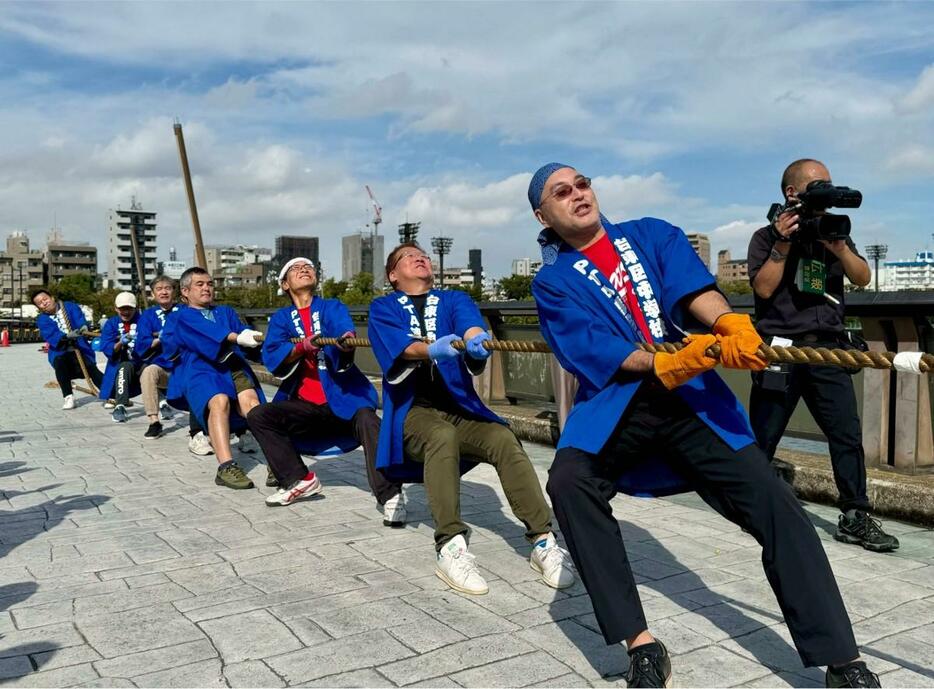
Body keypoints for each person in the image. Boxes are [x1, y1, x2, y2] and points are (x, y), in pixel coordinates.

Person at [528, 162, 880, 688]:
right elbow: (591, 349)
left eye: (583, 184)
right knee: (569, 483)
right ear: (544, 214)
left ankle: (842, 659)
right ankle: (641, 645)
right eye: (562, 192)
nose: (578, 194)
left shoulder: (651, 233)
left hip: (692, 402)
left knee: (777, 505)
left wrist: (728, 322)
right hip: (618, 405)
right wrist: (663, 362)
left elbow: (696, 290)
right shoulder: (552, 283)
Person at [368, 242, 575, 596]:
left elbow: (470, 326)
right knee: (440, 436)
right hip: (412, 412)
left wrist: (477, 340)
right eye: (408, 256)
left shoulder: (454, 299)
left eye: (424, 255)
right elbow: (398, 346)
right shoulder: (383, 307)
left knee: (502, 437)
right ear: (392, 274)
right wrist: (430, 349)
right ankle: (450, 545)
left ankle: (543, 539)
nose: (420, 258)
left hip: (461, 407)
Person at [747, 158, 897, 553]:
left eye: (830, 183)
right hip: (779, 348)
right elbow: (762, 290)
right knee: (763, 435)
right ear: (791, 192)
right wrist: (782, 242)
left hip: (828, 349)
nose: (828, 191)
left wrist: (840, 248)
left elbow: (863, 277)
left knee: (846, 435)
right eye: (819, 184)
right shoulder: (765, 236)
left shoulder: (834, 229)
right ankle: (750, 505)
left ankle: (855, 515)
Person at [247, 257, 405, 513]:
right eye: (295, 269)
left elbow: (343, 328)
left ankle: (391, 496)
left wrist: (345, 341)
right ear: (285, 285)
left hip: (345, 400)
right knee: (259, 415)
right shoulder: (281, 319)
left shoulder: (332, 306)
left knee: (370, 420)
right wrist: (301, 347)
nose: (303, 270)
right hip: (305, 406)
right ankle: (299, 480)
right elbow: (274, 354)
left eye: (308, 267)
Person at [169, 267, 265, 490]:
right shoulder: (181, 316)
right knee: (218, 401)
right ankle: (226, 466)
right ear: (185, 291)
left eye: (210, 284)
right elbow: (209, 334)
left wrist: (257, 341)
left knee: (252, 405)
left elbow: (243, 335)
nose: (206, 288)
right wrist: (238, 337)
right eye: (200, 284)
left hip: (232, 364)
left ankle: (276, 461)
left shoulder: (226, 312)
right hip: (201, 369)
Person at [32, 288, 104, 409]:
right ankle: (68, 396)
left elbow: (80, 319)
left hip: (80, 347)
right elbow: (51, 335)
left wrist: (83, 328)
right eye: (40, 303)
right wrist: (66, 337)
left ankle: (111, 394)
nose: (44, 302)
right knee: (60, 364)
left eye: (45, 299)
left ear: (52, 298)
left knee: (91, 368)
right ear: (39, 308)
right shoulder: (42, 320)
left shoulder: (69, 306)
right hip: (60, 350)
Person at [135, 276, 182, 439]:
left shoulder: (184, 310)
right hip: (165, 368)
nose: (164, 292)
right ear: (153, 294)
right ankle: (154, 421)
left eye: (167, 288)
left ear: (174, 291)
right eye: (159, 289)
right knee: (148, 372)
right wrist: (158, 339)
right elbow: (142, 342)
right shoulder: (148, 315)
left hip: (186, 365)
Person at [98, 292, 143, 422]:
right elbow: (106, 345)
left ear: (135, 308)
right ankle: (120, 405)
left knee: (154, 370)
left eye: (129, 308)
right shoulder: (111, 323)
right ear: (116, 308)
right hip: (122, 363)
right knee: (124, 368)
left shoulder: (144, 320)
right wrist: (120, 343)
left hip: (142, 362)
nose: (126, 312)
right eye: (122, 309)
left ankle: (162, 404)